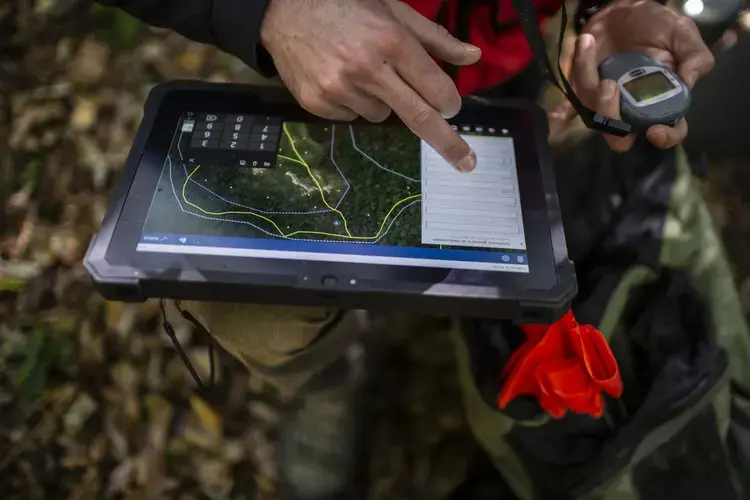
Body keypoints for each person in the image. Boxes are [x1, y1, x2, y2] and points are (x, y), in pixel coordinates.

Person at [97, 0, 750, 499]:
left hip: (515, 56)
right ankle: (327, 376)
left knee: (510, 224)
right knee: (256, 293)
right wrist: (265, 14)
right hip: (309, 65)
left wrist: (602, 10)